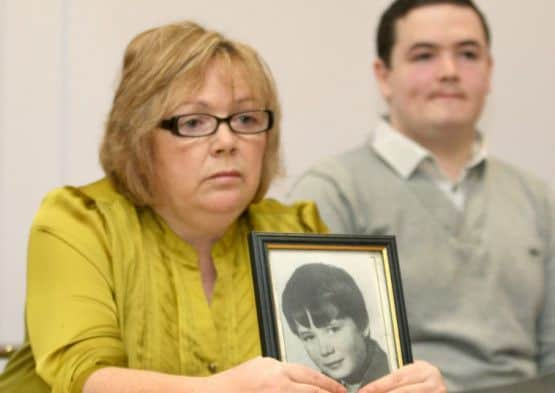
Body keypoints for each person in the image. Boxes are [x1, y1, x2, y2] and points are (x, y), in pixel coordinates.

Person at [0, 20, 445, 393]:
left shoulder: (295, 229)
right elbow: (84, 378)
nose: (228, 141)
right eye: (194, 122)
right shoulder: (78, 220)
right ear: (137, 136)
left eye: (247, 119)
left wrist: (404, 381)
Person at [289, 0, 555, 392]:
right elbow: (319, 368)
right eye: (424, 55)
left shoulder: (534, 197)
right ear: (384, 76)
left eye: (467, 54)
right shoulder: (333, 191)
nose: (449, 72)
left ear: (489, 71)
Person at [281, 263, 389, 393]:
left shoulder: (396, 375)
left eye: (333, 330)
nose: (324, 350)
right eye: (309, 337)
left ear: (363, 325)